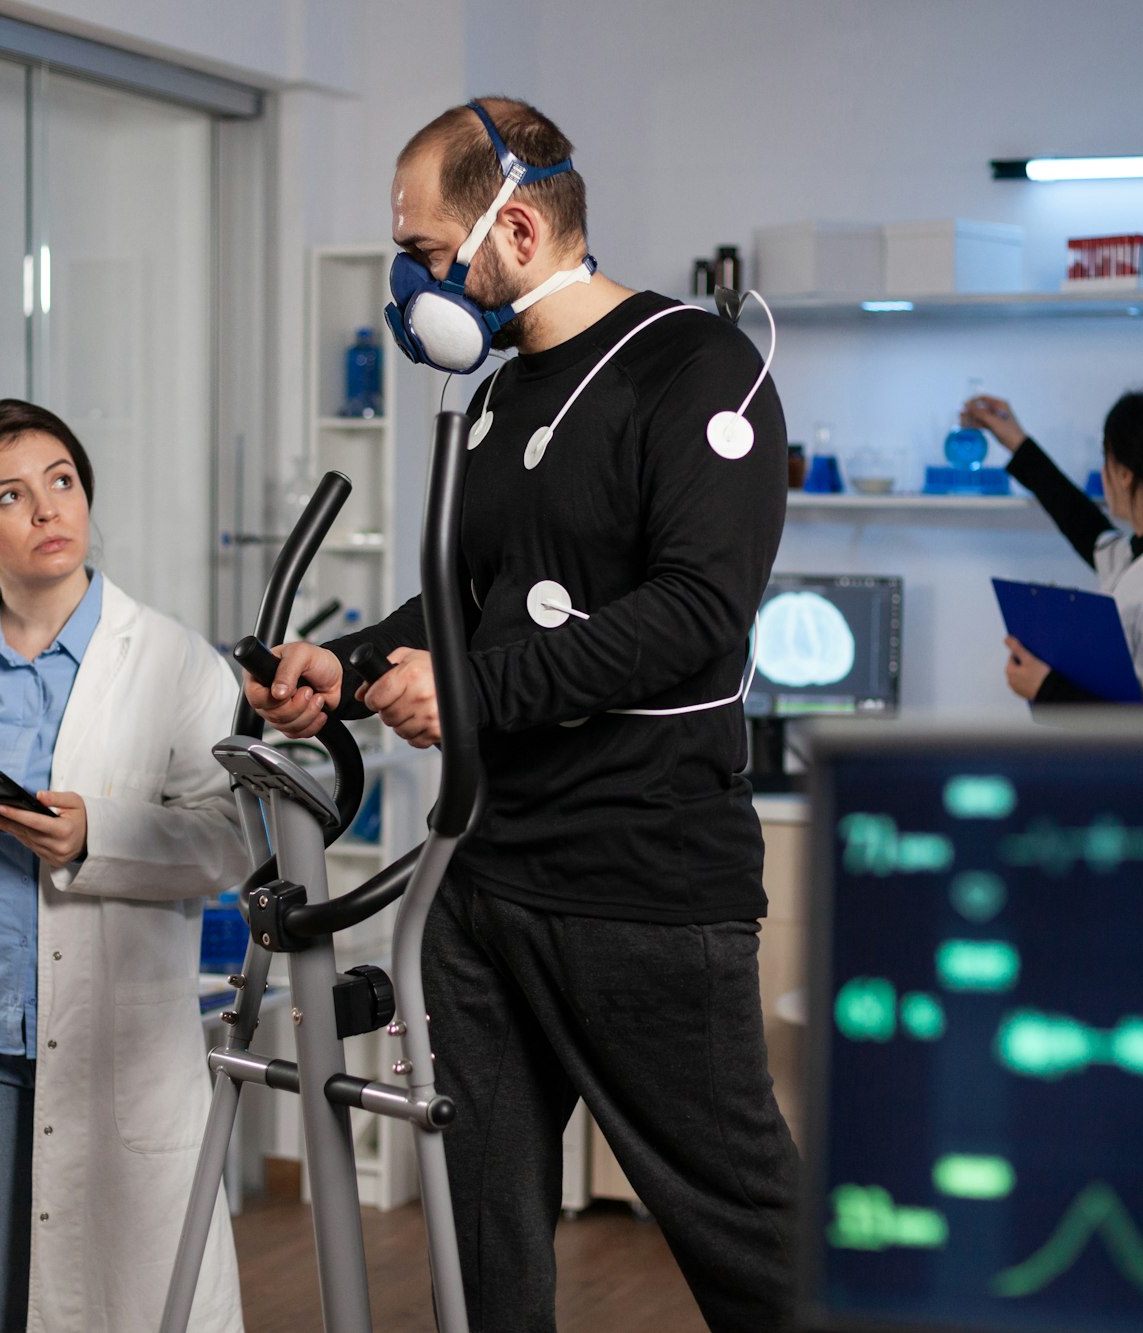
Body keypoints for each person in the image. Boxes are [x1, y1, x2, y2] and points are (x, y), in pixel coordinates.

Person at [249, 98, 798, 1332]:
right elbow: (466, 595)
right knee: (480, 1238)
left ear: (522, 225)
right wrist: (343, 662)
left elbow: (697, 614)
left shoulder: (698, 368)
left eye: (431, 254)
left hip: (642, 886)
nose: (414, 285)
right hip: (482, 881)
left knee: (748, 1243)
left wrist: (470, 689)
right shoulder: (496, 397)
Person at [0, 399, 246, 1333]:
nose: (47, 510)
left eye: (61, 481)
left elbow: (231, 837)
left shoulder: (176, 664)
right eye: (11, 496)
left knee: (115, 1300)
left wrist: (94, 837)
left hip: (114, 1041)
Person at [962, 388, 1143, 724]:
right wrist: (1016, 441)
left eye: (1106, 458)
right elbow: (1085, 527)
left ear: (1124, 473)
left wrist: (1048, 690)